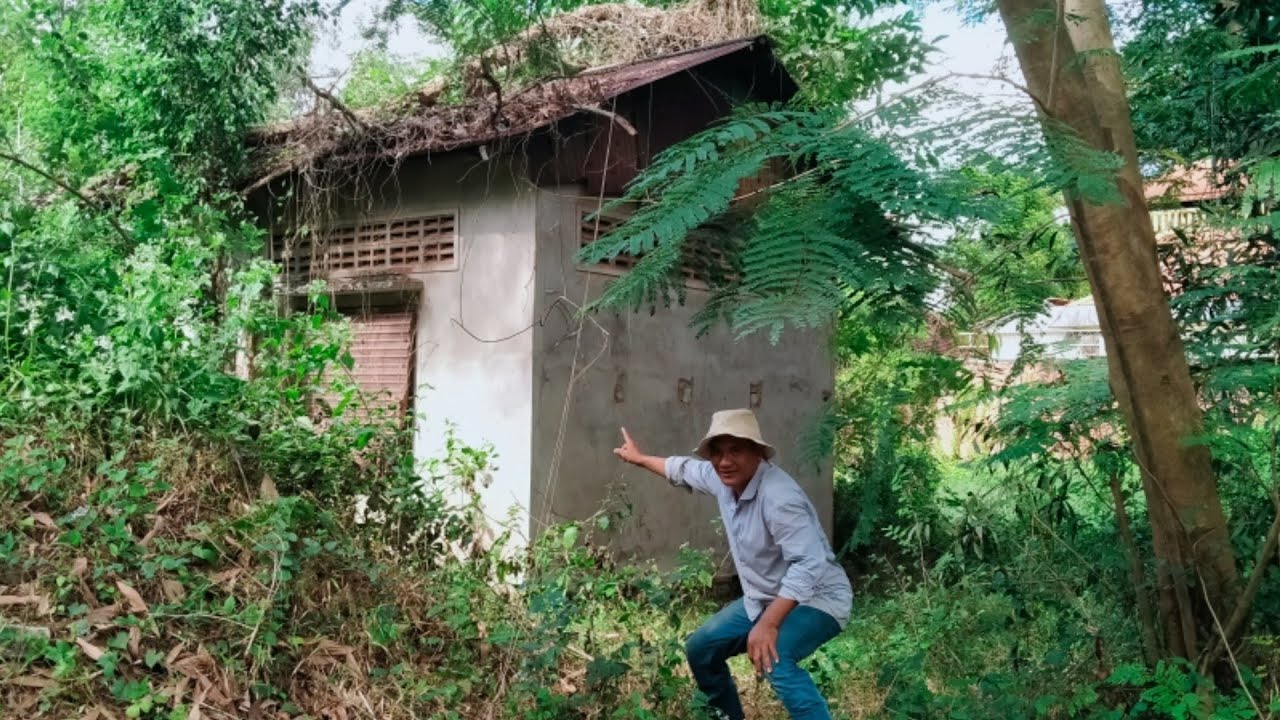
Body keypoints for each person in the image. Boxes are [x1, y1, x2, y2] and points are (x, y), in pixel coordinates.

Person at [613, 408, 852, 720]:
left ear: (758, 453)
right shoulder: (720, 478)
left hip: (817, 598)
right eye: (718, 452)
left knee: (774, 659)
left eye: (736, 450)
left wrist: (768, 624)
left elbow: (809, 563)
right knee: (702, 648)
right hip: (765, 598)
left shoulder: (779, 497)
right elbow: (683, 469)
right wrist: (640, 458)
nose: (724, 461)